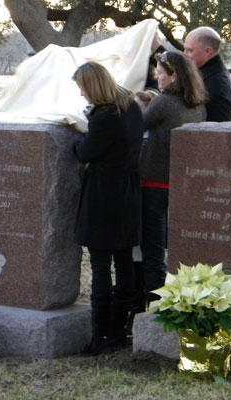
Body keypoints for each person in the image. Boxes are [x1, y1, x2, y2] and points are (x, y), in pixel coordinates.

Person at [71, 62, 144, 356]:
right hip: (127, 191)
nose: (81, 93)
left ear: (94, 86)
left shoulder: (105, 116)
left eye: (83, 87)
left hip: (104, 195)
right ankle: (118, 329)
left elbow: (84, 151)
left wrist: (76, 138)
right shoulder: (131, 106)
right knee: (124, 261)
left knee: (101, 264)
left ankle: (101, 335)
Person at [138, 51, 207, 310]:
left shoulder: (165, 102)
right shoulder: (198, 104)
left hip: (154, 182)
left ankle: (156, 304)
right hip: (181, 184)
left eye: (160, 73)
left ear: (174, 75)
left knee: (153, 249)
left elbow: (138, 126)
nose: (157, 77)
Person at [184, 27, 231, 122]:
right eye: (185, 49)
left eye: (190, 50)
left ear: (208, 51)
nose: (185, 54)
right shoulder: (206, 75)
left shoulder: (218, 85)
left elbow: (217, 130)